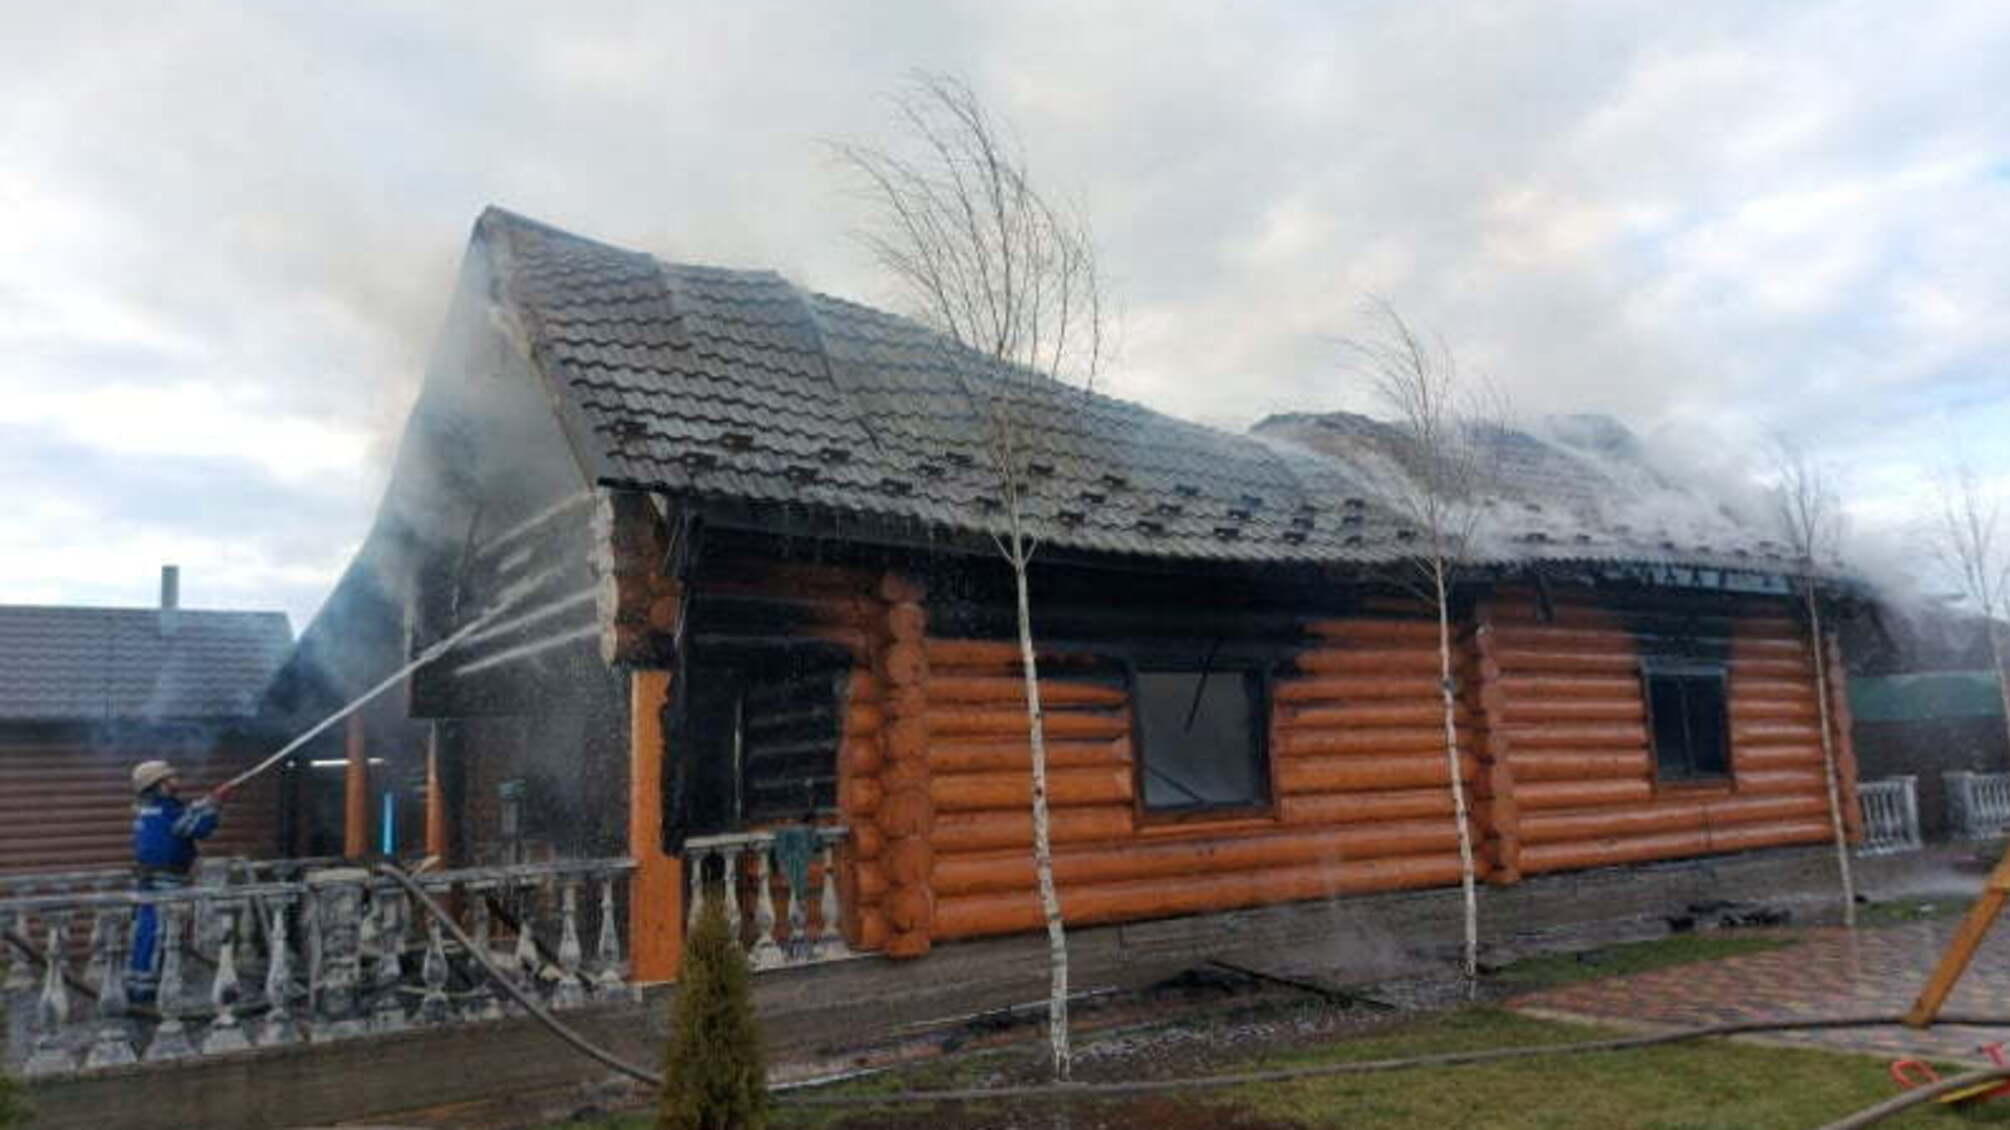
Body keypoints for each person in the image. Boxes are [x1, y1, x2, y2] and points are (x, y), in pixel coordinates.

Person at [126, 760, 225, 1003]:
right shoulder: (169, 811)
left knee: (146, 928)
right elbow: (197, 828)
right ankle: (150, 987)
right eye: (170, 778)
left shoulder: (145, 808)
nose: (176, 781)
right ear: (158, 785)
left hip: (147, 877)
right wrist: (212, 808)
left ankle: (139, 982)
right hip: (166, 879)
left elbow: (180, 818)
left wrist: (201, 806)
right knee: (162, 929)